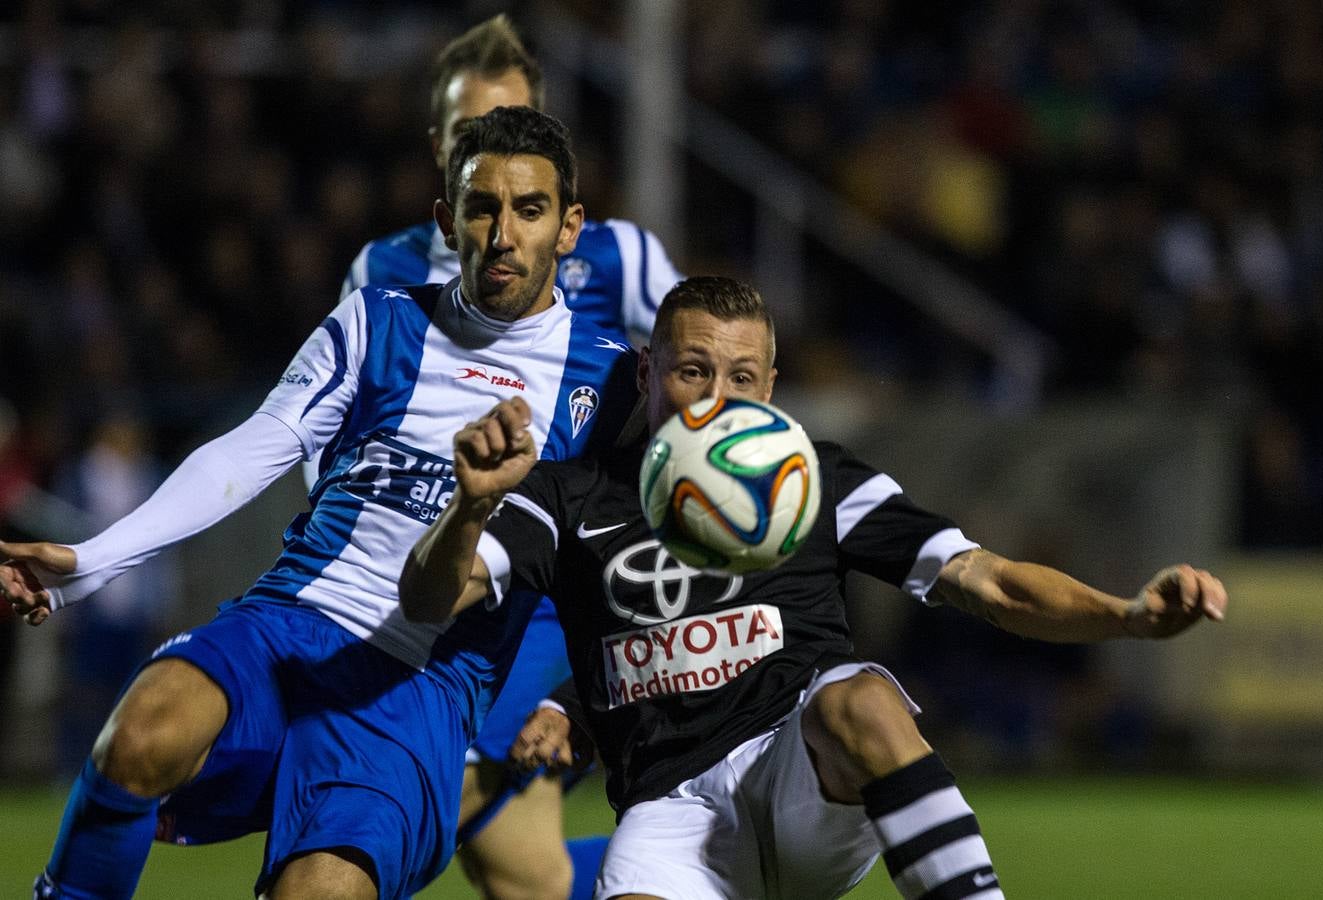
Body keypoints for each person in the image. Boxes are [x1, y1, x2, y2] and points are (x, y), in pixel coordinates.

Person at [399, 275, 1230, 900]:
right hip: (670, 808)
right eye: (692, 371)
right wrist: (471, 507)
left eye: (743, 377)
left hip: (800, 774)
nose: (717, 400)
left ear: (770, 385)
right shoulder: (570, 496)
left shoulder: (814, 478)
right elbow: (433, 597)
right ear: (648, 371)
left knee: (862, 700)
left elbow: (990, 581)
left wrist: (1126, 615)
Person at [1, 106, 638, 900]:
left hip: (419, 681)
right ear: (448, 219)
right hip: (291, 619)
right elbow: (250, 449)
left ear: (570, 227)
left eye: (530, 209)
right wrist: (89, 562)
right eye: (481, 207)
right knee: (138, 736)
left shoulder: (611, 388)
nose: (503, 233)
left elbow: (630, 563)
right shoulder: (379, 320)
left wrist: (576, 704)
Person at [338, 16, 681, 899]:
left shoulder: (617, 254)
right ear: (441, 151)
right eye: (469, 137)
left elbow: (703, 367)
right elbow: (341, 435)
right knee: (518, 873)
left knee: (416, 794)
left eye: (516, 130)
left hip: (544, 598)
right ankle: (721, 872)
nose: (494, 152)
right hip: (426, 575)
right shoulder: (383, 272)